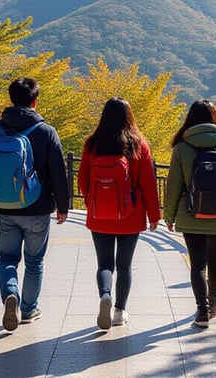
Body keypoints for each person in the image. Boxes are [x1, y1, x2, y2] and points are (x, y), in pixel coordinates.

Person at [0, 77, 70, 331]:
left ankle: (11, 294)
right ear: (35, 101)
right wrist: (62, 206)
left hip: (4, 206)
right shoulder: (46, 131)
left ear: (11, 99)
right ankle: (28, 309)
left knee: (7, 258)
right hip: (37, 206)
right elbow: (58, 172)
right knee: (34, 261)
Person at [163, 99, 216, 329]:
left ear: (190, 119)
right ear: (215, 118)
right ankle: (213, 303)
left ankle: (202, 311)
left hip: (190, 214)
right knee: (215, 259)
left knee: (197, 264)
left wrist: (169, 216)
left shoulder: (182, 148)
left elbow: (173, 187)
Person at [77, 98, 161, 330]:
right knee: (124, 266)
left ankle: (105, 294)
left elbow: (82, 180)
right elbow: (148, 184)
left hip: (99, 216)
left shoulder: (92, 144)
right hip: (130, 216)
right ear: (129, 117)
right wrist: (154, 215)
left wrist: (93, 200)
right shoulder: (138, 145)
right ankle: (119, 311)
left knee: (104, 264)